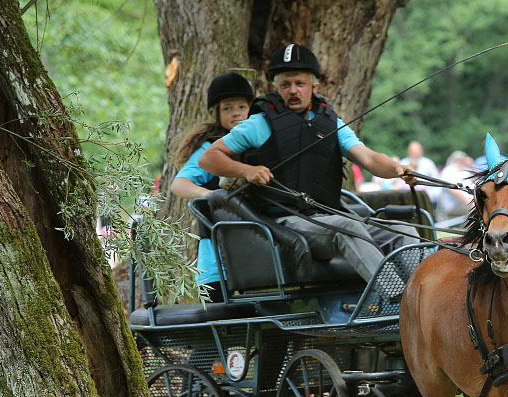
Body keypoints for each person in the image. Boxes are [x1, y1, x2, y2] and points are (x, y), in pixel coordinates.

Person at [199, 43, 418, 285]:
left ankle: (420, 296)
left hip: (328, 216)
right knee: (347, 227)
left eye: (299, 84)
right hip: (284, 223)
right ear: (276, 88)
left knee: (403, 230)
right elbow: (208, 157)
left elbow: (369, 158)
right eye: (285, 84)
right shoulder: (259, 123)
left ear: (315, 87)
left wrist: (397, 170)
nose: (293, 90)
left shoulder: (330, 123)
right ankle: (396, 300)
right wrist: (247, 170)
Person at [171, 71, 254, 301]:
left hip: (253, 252)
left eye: (241, 106)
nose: (236, 112)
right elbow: (179, 184)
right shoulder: (211, 148)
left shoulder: (258, 144)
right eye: (227, 108)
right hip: (217, 257)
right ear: (217, 113)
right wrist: (210, 194)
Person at [436, 150, 473, 220]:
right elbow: (453, 189)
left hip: (465, 203)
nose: (460, 162)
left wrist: (472, 166)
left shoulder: (464, 170)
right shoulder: (448, 171)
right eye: (458, 160)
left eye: (462, 160)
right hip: (454, 206)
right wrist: (471, 203)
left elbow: (479, 181)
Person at [401, 140, 441, 205]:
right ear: (408, 151)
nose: (414, 152)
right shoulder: (402, 163)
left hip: (426, 196)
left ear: (421, 151)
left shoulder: (428, 163)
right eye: (412, 150)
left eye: (416, 150)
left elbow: (436, 180)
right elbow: (397, 182)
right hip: (406, 196)